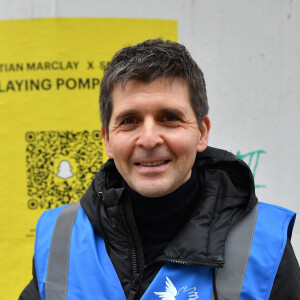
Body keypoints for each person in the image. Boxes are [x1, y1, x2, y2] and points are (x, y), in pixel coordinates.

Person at [20, 39, 300, 300]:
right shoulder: (59, 238)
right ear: (107, 139)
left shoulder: (264, 244)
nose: (149, 139)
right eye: (129, 120)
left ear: (202, 133)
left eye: (169, 118)